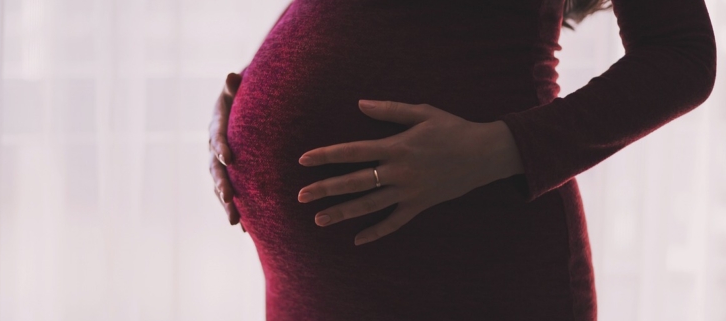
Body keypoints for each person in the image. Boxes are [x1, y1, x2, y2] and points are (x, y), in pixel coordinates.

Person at [207, 0, 716, 319]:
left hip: (465, 261)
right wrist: (247, 92)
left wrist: (499, 147)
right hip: (307, 290)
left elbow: (682, 56)